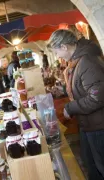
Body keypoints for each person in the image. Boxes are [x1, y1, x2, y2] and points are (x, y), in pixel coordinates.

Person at [47, 29, 104, 180]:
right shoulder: (77, 61)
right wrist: (65, 91)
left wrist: (70, 107)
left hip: (99, 126)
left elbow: (97, 97)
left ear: (64, 47)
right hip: (88, 124)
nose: (57, 56)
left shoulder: (87, 61)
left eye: (56, 51)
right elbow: (84, 88)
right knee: (91, 165)